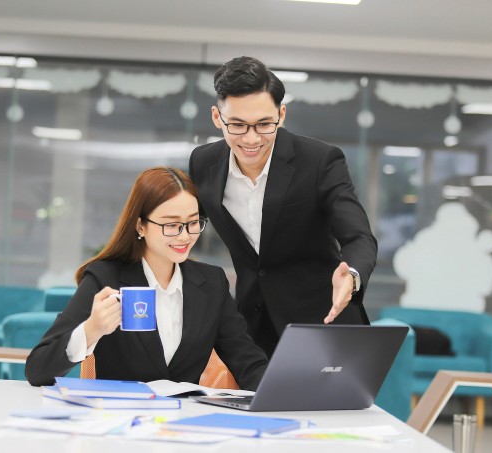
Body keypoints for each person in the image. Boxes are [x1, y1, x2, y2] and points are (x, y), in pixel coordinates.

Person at [189, 56, 377, 358]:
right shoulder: (203, 162)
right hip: (251, 329)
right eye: (237, 125)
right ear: (216, 117)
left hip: (324, 322)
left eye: (264, 124)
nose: (251, 139)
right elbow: (181, 227)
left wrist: (352, 275)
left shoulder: (319, 161)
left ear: (282, 114)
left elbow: (359, 237)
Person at [25, 167, 268, 390]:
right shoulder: (106, 278)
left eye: (193, 223)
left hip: (182, 426)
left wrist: (282, 392)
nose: (185, 236)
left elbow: (246, 360)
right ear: (140, 226)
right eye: (171, 225)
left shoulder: (212, 283)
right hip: (120, 423)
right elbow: (38, 370)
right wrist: (91, 330)